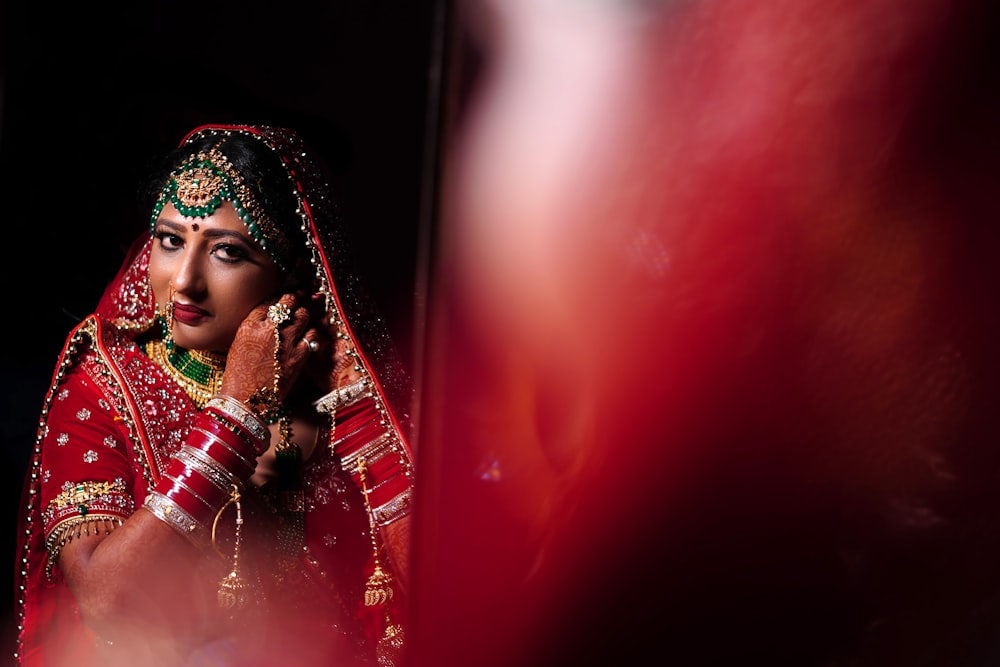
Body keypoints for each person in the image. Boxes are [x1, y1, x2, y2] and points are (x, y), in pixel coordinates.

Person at [13, 124, 416, 666]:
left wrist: (359, 406)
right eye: (171, 240)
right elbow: (106, 600)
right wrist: (236, 415)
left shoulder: (349, 397)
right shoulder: (104, 384)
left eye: (226, 252)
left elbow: (444, 592)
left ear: (293, 269)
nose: (184, 281)